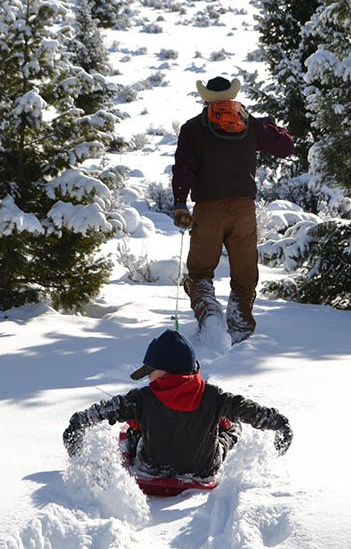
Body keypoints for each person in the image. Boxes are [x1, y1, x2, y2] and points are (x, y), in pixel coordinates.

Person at [62, 328, 292, 477]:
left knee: (135, 431)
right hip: (203, 468)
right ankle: (216, 429)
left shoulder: (141, 398)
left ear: (163, 371)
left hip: (150, 465)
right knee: (232, 426)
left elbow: (104, 410)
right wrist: (278, 423)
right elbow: (249, 410)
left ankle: (143, 433)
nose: (148, 377)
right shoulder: (214, 396)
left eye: (150, 371)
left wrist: (77, 423)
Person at [172, 75, 293, 343]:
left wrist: (180, 203)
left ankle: (210, 316)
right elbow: (286, 146)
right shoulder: (249, 125)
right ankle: (239, 328)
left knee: (201, 272)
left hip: (208, 209)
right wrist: (267, 124)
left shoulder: (193, 128)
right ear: (232, 96)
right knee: (244, 272)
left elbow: (183, 168)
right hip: (243, 211)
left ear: (206, 99)